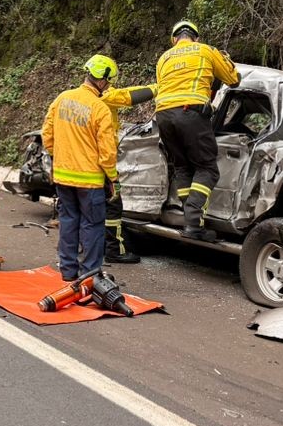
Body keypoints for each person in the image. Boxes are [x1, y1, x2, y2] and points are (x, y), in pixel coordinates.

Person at [154, 20, 240, 241]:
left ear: (174, 40)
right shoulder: (205, 50)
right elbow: (233, 80)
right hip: (190, 113)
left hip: (163, 116)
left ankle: (189, 218)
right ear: (196, 37)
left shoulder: (163, 58)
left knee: (183, 167)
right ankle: (194, 224)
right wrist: (225, 60)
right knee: (207, 169)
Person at [41, 55, 121, 282]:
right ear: (103, 80)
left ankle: (67, 271)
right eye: (110, 81)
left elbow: (47, 135)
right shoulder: (100, 108)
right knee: (93, 226)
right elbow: (107, 151)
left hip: (63, 178)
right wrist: (112, 178)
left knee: (68, 221)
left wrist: (59, 156)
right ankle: (90, 274)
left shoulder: (62, 99)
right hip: (90, 181)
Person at [100, 78, 157, 264]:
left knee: (89, 210)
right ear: (103, 79)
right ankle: (114, 251)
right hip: (100, 166)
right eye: (109, 81)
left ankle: (93, 248)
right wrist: (158, 88)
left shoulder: (77, 100)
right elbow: (127, 96)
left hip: (80, 166)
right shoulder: (102, 97)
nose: (111, 86)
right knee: (113, 206)